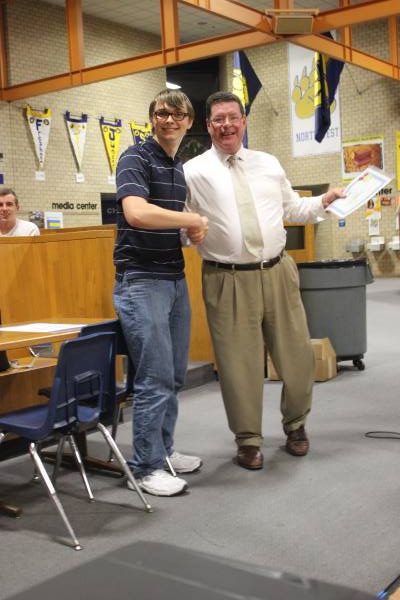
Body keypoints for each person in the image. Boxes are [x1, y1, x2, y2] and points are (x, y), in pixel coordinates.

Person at [184, 91, 345, 470]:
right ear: (208, 126)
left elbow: (293, 208)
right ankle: (248, 440)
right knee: (239, 365)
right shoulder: (192, 172)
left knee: (297, 357)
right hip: (227, 278)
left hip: (278, 271)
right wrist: (186, 234)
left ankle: (296, 425)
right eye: (218, 119)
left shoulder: (268, 164)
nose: (226, 125)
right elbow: (183, 224)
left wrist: (324, 200)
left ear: (243, 121)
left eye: (232, 117)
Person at [113, 89, 208, 496]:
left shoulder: (178, 167)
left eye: (178, 114)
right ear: (152, 118)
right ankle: (145, 466)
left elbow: (169, 224)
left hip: (173, 277)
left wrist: (188, 230)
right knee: (152, 378)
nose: (169, 119)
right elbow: (136, 212)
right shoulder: (136, 157)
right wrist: (190, 218)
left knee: (172, 375)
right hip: (141, 280)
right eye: (161, 112)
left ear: (189, 122)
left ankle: (164, 451)